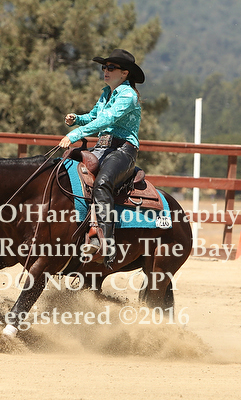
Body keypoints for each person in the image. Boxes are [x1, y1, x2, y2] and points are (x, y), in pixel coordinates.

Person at [58, 49, 144, 268]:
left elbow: (107, 119)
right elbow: (95, 116)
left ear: (124, 73)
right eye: (104, 67)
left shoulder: (128, 95)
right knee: (66, 171)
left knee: (103, 182)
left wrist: (74, 134)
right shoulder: (107, 93)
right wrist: (78, 119)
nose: (106, 70)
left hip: (123, 150)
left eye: (111, 67)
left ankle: (107, 243)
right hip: (102, 148)